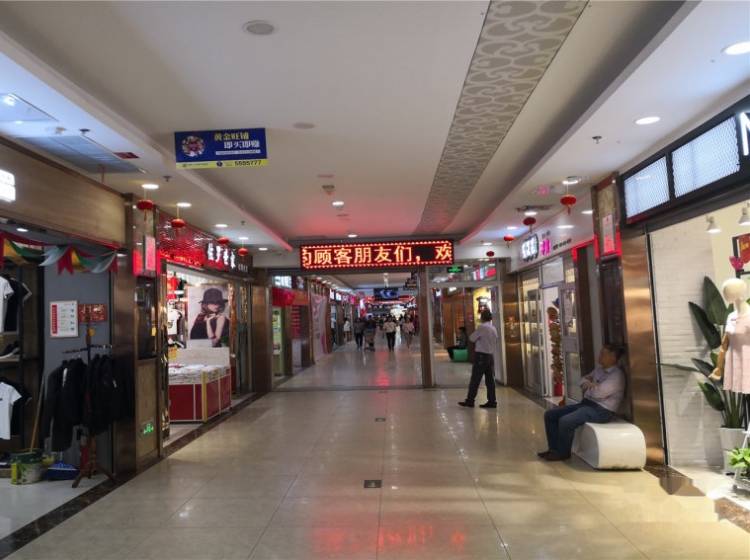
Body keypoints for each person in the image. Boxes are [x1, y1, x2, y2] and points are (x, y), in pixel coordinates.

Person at [538, 344, 626, 462]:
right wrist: (591, 384)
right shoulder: (599, 370)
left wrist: (591, 385)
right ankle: (553, 450)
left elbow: (598, 393)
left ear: (613, 357)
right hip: (587, 404)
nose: (599, 356)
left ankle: (562, 453)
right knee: (550, 415)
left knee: (566, 420)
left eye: (603, 354)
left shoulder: (616, 376)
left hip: (601, 410)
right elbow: (582, 380)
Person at [458, 310, 498, 409]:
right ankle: (492, 401)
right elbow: (495, 340)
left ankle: (470, 400)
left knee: (475, 379)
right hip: (490, 356)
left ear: (482, 317)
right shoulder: (493, 328)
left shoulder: (482, 327)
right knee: (490, 380)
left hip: (481, 356)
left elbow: (472, 338)